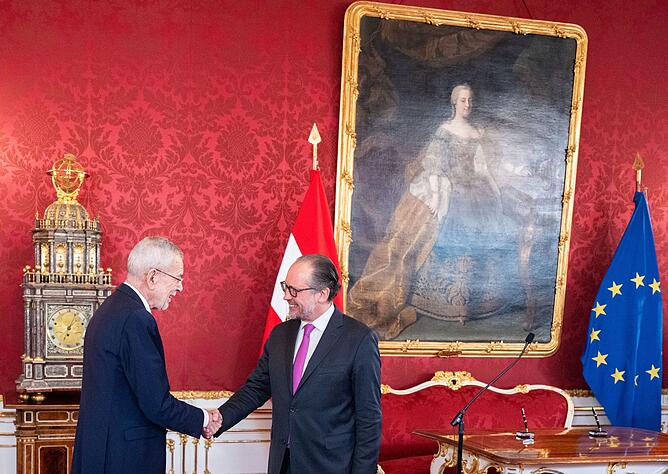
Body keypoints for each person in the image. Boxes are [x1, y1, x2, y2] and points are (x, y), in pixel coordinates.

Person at [349, 83, 517, 338]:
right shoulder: (444, 131)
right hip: (448, 186)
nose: (467, 105)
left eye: (470, 100)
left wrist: (495, 192)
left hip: (474, 191)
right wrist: (441, 187)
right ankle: (438, 297)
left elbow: (481, 167)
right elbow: (434, 163)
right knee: (430, 229)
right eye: (462, 100)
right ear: (454, 103)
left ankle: (475, 298)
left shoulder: (476, 133)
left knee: (485, 229)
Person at [215, 254, 381, 474]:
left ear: (322, 294)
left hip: (331, 466)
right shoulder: (281, 334)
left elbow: (368, 419)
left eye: (294, 290)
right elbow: (256, 388)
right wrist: (220, 418)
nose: (285, 296)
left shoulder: (359, 339)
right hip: (283, 463)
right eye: (286, 287)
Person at [71, 236, 221, 474]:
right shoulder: (136, 319)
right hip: (124, 459)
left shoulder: (109, 309)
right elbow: (156, 404)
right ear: (153, 277)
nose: (180, 287)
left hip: (100, 452)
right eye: (178, 278)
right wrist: (203, 419)